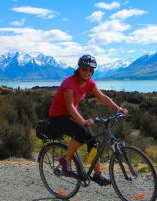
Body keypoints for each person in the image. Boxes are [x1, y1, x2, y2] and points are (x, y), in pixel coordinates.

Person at [48, 54, 128, 186]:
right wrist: (83, 121)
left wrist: (118, 109)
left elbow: (102, 97)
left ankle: (97, 174)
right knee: (81, 132)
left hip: (70, 115)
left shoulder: (89, 83)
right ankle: (65, 160)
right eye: (85, 69)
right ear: (79, 68)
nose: (87, 72)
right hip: (57, 117)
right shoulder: (69, 83)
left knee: (92, 141)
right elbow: (70, 106)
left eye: (91, 70)